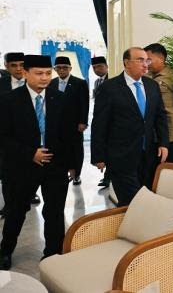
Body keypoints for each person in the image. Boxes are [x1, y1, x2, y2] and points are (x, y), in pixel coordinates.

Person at [0, 55, 75, 270]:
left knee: (54, 211)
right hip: (21, 167)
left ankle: (53, 252)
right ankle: (5, 251)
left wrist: (73, 164)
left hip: (55, 165)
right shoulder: (8, 100)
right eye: (39, 73)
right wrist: (30, 153)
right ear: (25, 73)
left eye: (48, 73)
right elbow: (3, 137)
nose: (44, 78)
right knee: (15, 211)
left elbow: (69, 135)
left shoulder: (60, 98)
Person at [90, 47, 169, 206]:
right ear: (126, 63)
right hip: (121, 156)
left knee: (145, 197)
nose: (145, 64)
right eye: (140, 60)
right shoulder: (109, 88)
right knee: (131, 201)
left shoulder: (152, 86)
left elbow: (160, 117)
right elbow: (99, 124)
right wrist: (98, 156)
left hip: (148, 154)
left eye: (147, 60)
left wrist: (163, 143)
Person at [0, 52, 41, 208]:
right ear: (6, 66)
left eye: (21, 65)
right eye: (13, 65)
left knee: (32, 170)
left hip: (31, 136)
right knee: (9, 175)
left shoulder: (35, 82)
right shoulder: (2, 84)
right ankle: (9, 205)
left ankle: (32, 193)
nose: (18, 69)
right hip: (8, 136)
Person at [49, 56, 89, 185]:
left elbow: (84, 104)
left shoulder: (80, 83)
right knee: (60, 149)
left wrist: (83, 122)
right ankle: (62, 172)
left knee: (76, 149)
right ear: (55, 69)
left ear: (70, 68)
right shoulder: (51, 83)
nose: (62, 70)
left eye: (64, 67)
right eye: (58, 68)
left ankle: (77, 174)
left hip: (75, 124)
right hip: (56, 125)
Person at [91, 56, 110, 187]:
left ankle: (108, 177)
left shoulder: (112, 80)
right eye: (94, 67)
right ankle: (107, 176)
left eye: (99, 66)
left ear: (106, 66)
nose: (97, 69)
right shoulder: (97, 82)